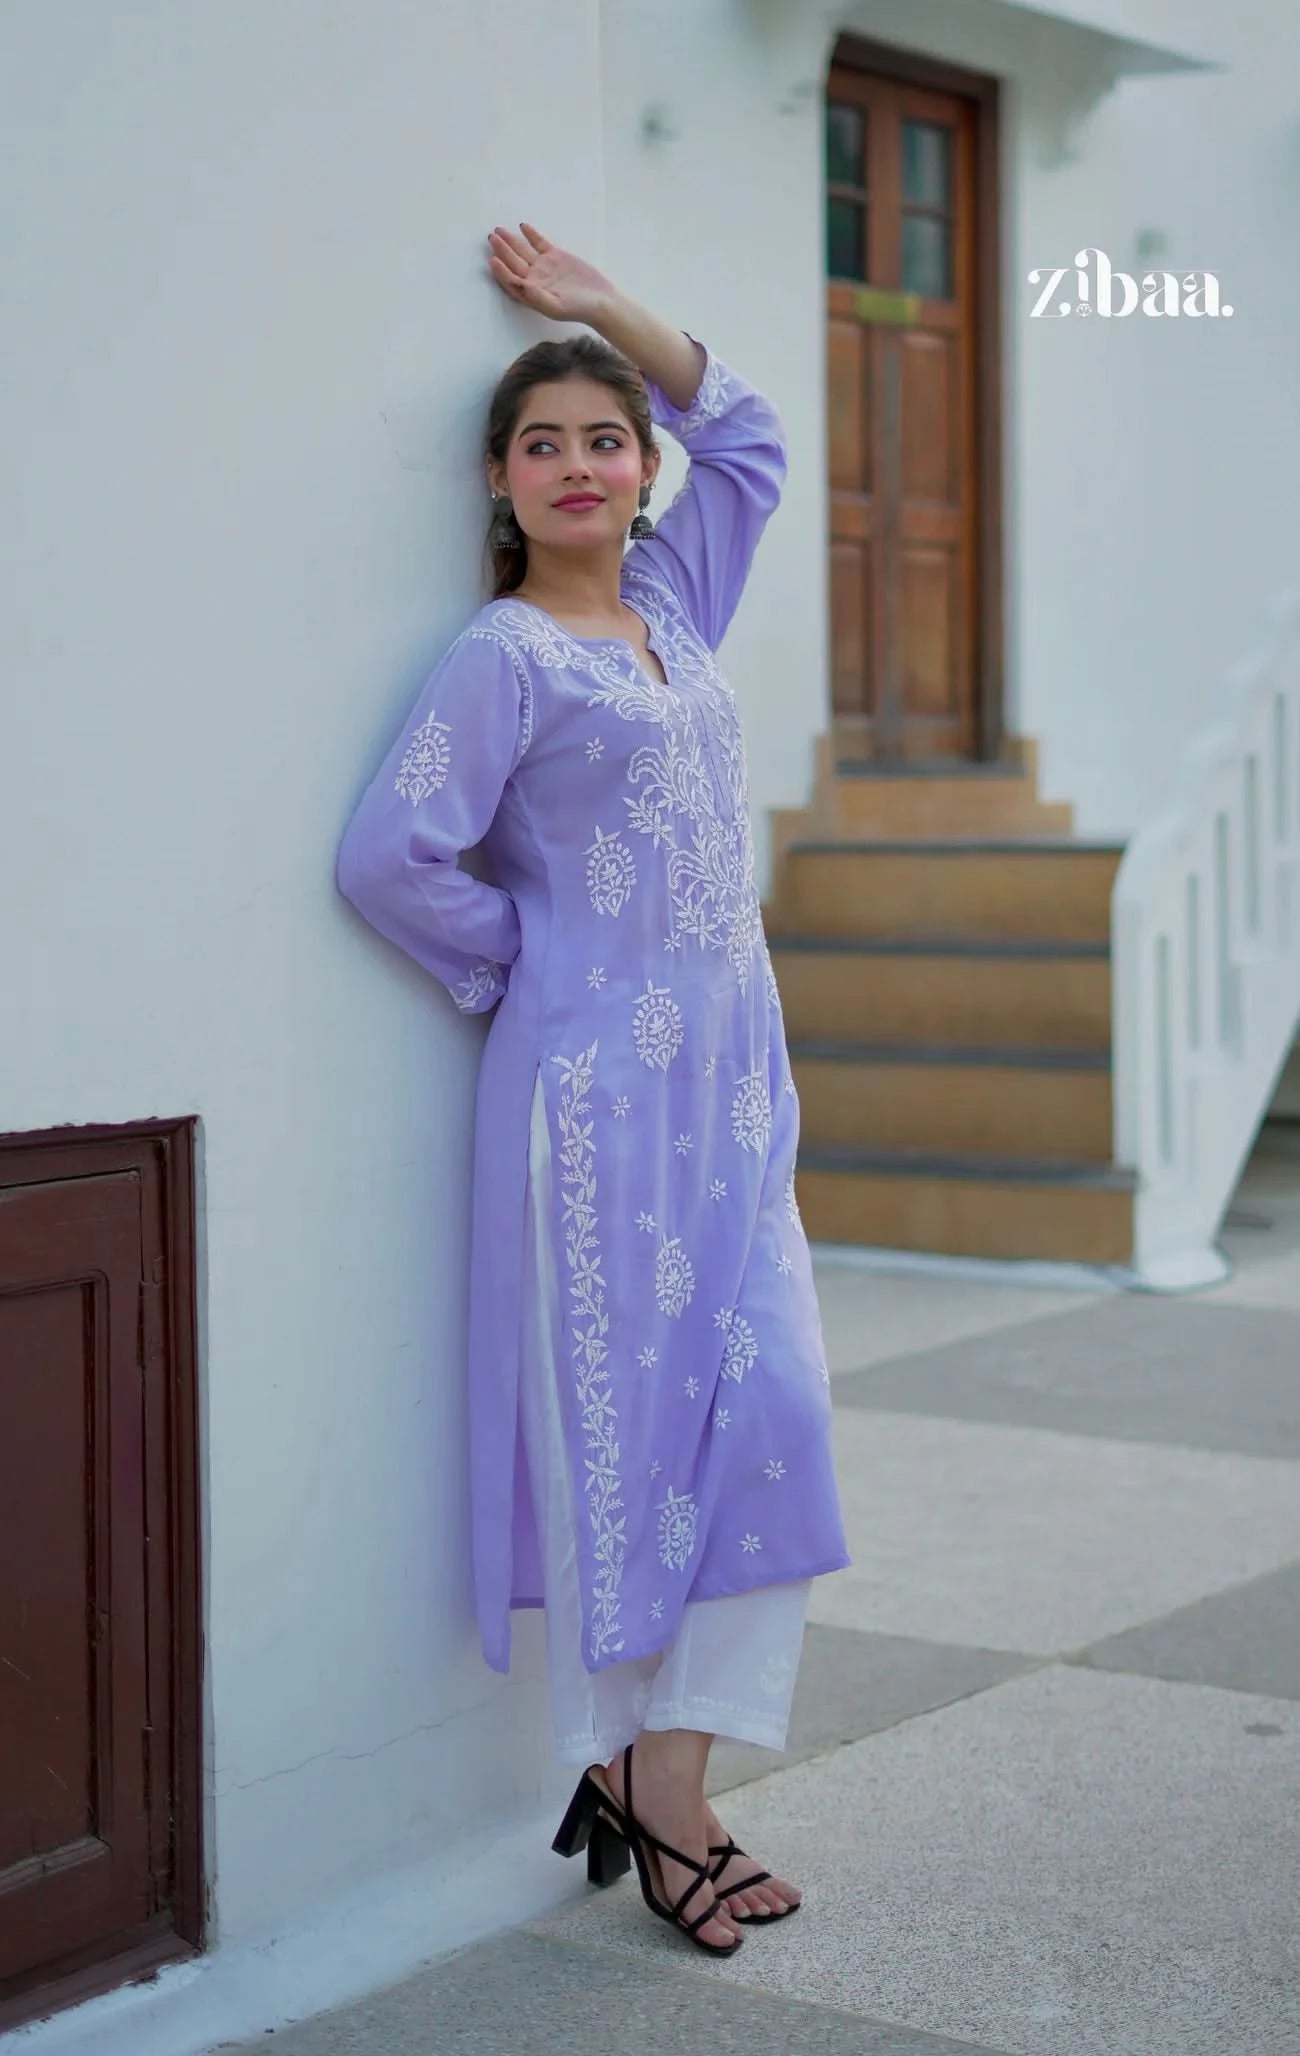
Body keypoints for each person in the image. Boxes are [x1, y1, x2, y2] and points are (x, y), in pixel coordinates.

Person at [336, 221, 850, 1956]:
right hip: (596, 1113)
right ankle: (662, 1791)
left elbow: (755, 437)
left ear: (642, 473)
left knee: (771, 1410)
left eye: (607, 438)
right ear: (499, 482)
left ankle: (654, 1772)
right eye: (543, 443)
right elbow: (391, 856)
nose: (578, 464)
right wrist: (544, 966)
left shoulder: (676, 609)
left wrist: (602, 311)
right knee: (628, 1438)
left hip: (733, 1094)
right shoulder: (503, 657)